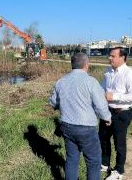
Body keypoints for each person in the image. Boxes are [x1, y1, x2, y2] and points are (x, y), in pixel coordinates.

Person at [49, 52, 112, 180]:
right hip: (86, 128)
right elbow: (100, 105)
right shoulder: (91, 82)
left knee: (72, 159)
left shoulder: (61, 81)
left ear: (72, 65)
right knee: (93, 162)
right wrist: (107, 118)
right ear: (86, 65)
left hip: (67, 126)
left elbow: (53, 102)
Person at [99, 47, 132, 180]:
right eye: (109, 56)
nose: (109, 58)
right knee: (103, 138)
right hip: (107, 111)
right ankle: (104, 163)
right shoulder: (108, 71)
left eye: (113, 56)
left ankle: (118, 171)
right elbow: (102, 88)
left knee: (119, 143)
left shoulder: (130, 74)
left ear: (122, 58)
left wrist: (114, 96)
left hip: (122, 113)